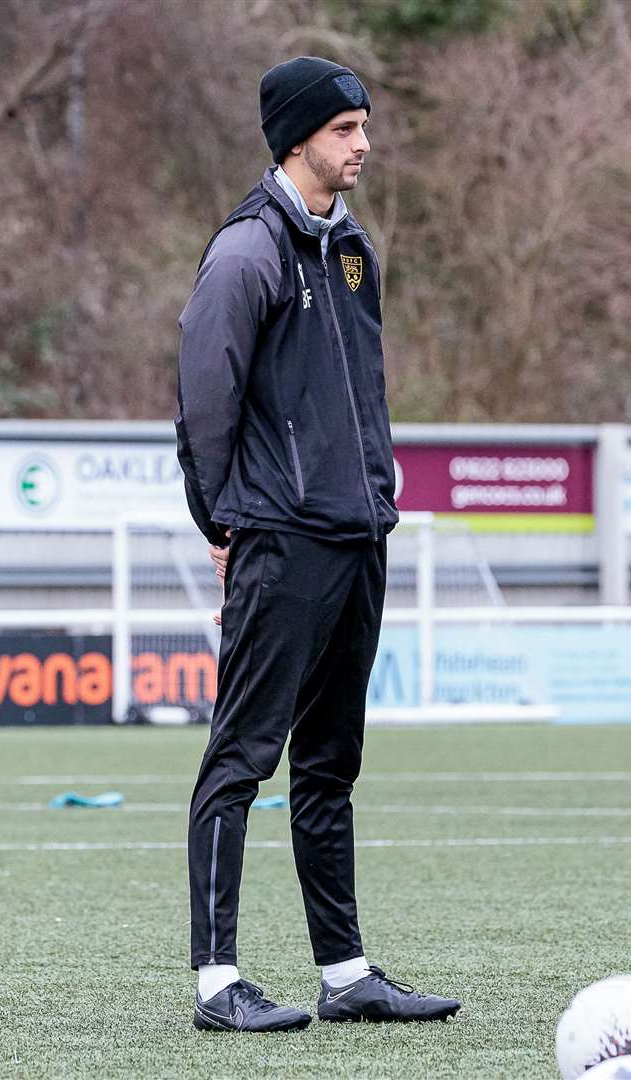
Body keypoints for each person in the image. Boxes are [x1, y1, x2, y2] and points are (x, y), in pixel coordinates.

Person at [174, 56, 459, 1032]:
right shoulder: (245, 254)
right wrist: (224, 524)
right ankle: (219, 985)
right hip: (281, 540)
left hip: (355, 535)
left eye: (364, 125)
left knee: (331, 762)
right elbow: (202, 403)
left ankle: (346, 973)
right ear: (297, 138)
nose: (364, 143)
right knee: (242, 757)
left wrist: (377, 490)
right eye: (345, 129)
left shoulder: (351, 250)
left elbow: (364, 394)